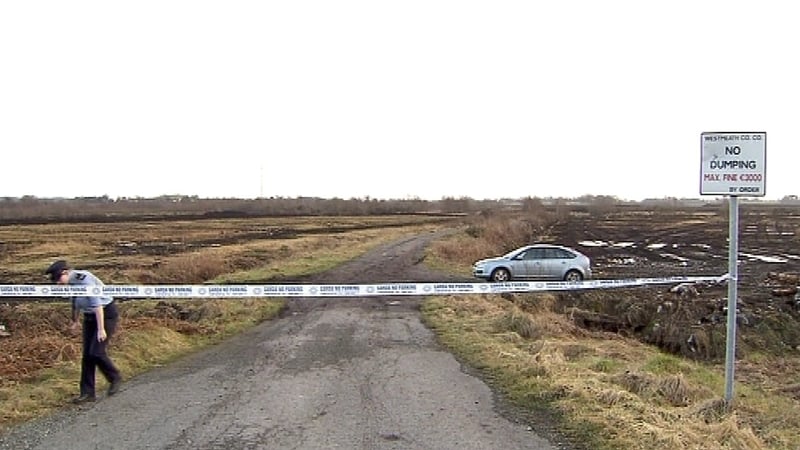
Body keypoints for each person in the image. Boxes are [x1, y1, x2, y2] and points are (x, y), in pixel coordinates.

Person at [45, 260, 122, 403]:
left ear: (65, 272)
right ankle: (87, 393)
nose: (57, 283)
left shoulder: (84, 279)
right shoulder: (70, 283)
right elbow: (75, 301)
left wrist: (101, 329)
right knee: (87, 355)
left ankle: (114, 376)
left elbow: (97, 304)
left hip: (105, 313)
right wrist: (75, 321)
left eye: (58, 279)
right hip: (89, 316)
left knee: (96, 352)